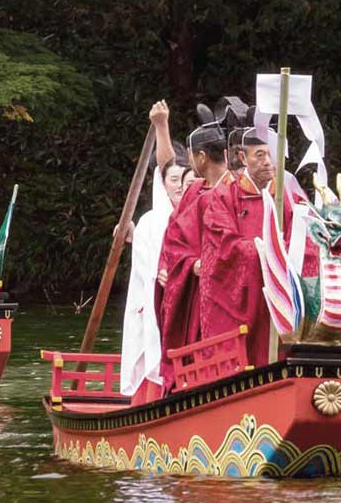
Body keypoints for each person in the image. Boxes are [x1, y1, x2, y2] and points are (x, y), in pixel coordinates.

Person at [198, 132, 318, 370]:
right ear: (242, 157)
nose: (268, 162)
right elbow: (223, 247)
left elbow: (309, 245)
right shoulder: (223, 198)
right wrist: (267, 252)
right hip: (245, 295)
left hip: (283, 296)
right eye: (259, 154)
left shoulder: (290, 200)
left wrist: (289, 256)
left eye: (271, 155)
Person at [151, 105, 234, 396]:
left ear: (201, 156)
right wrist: (183, 266)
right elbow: (175, 238)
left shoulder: (235, 191)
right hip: (195, 286)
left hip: (226, 288)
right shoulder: (195, 191)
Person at [121, 101, 186, 401]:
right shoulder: (153, 219)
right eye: (174, 181)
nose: (179, 187)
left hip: (181, 302)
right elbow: (165, 166)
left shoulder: (189, 215)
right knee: (154, 359)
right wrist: (162, 126)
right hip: (153, 303)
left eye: (184, 181)